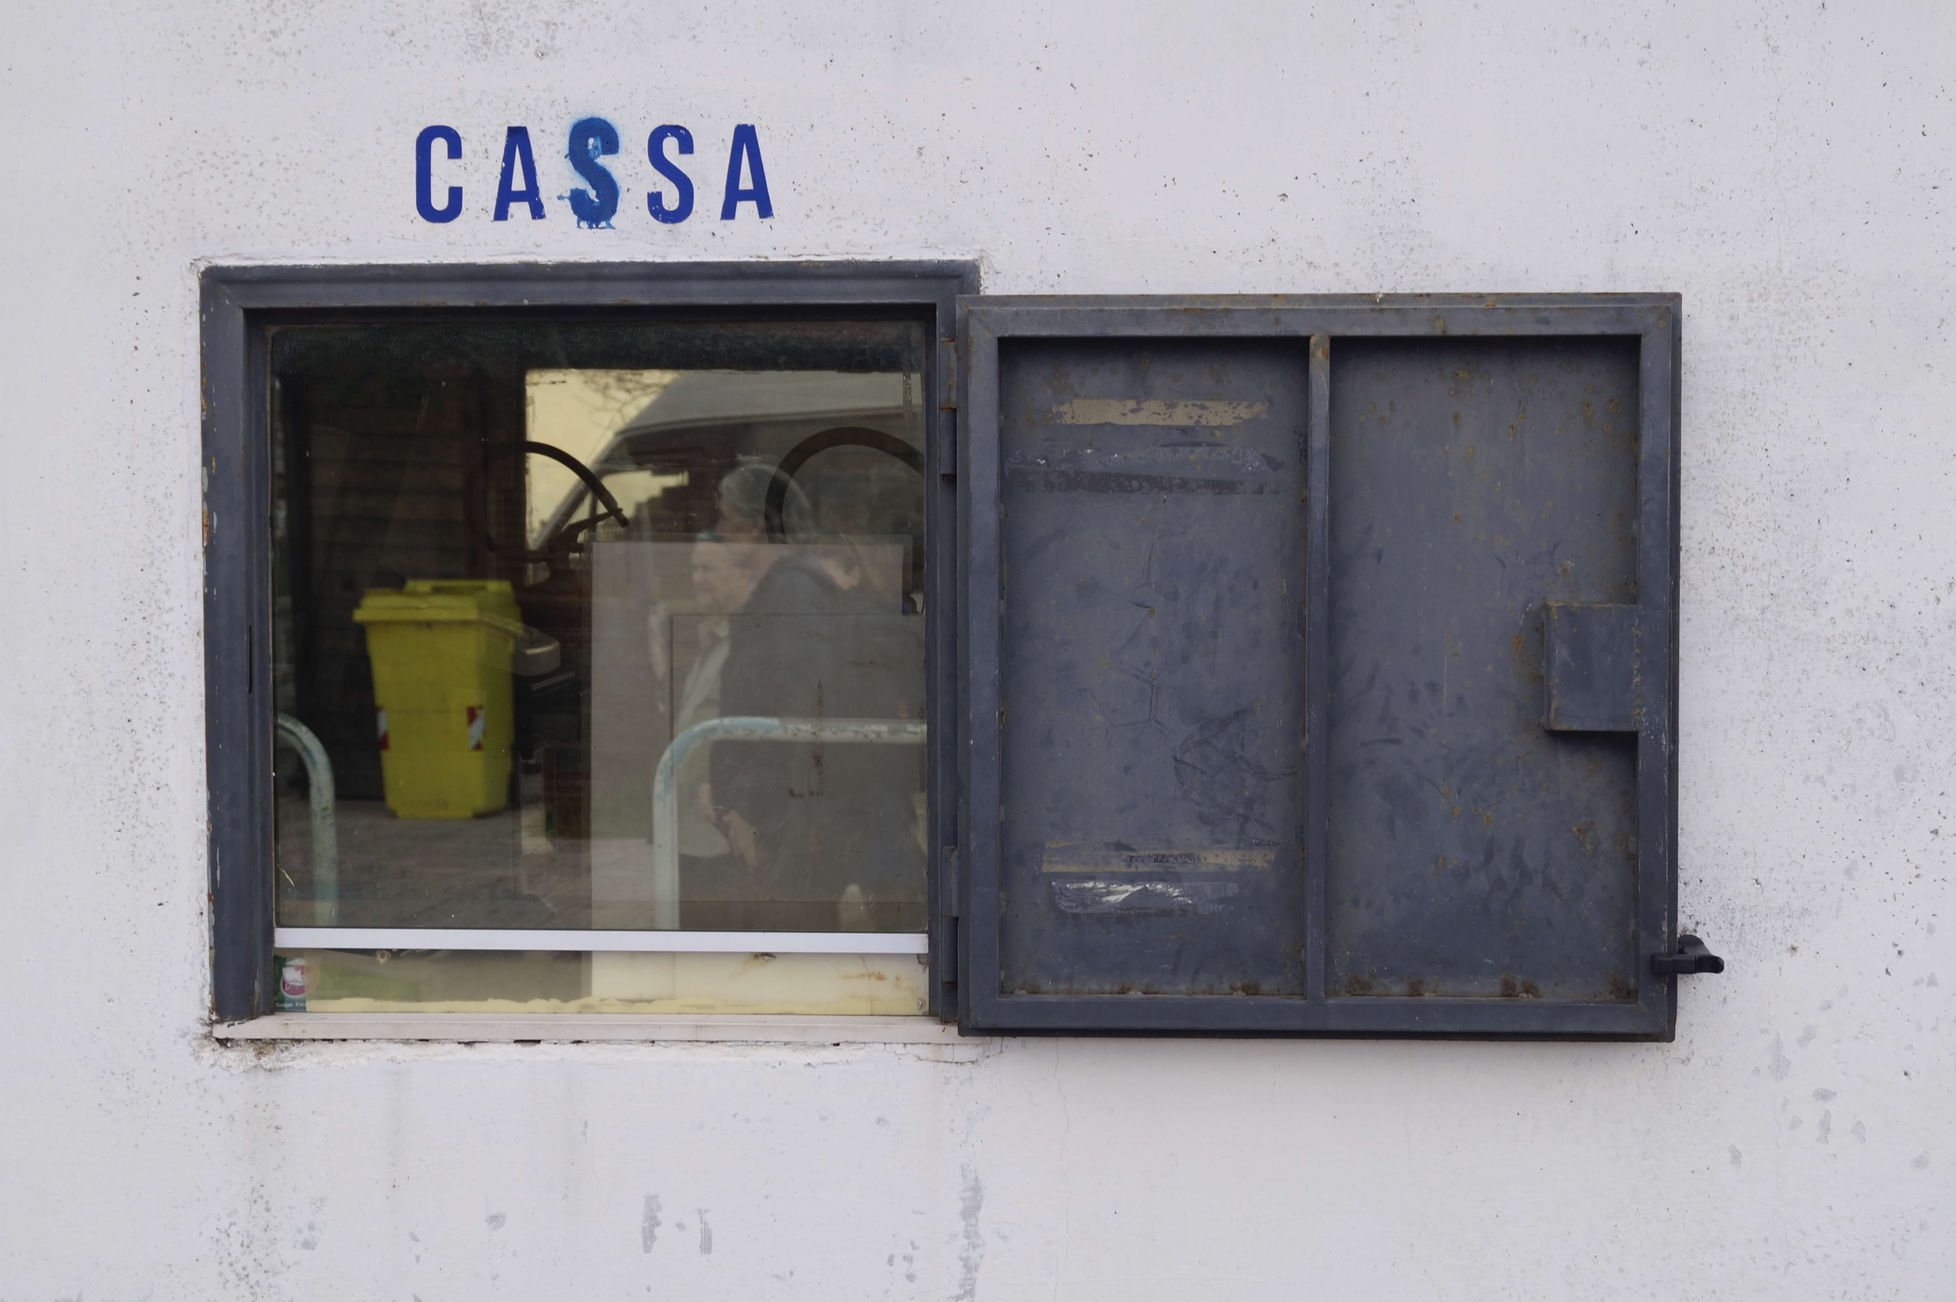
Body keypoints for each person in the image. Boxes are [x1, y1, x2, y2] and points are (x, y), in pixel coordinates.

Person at [705, 466, 925, 931]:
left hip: (804, 804)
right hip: (811, 799)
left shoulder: (793, 592)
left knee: (797, 930)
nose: (719, 531)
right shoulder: (788, 589)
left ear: (755, 525)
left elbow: (800, 707)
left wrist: (751, 808)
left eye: (726, 519)